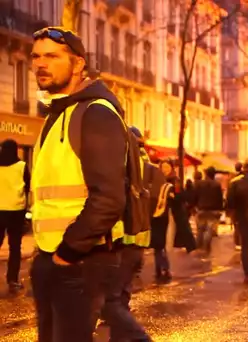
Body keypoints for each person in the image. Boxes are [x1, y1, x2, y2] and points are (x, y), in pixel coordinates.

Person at [29, 27, 127, 342]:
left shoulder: (95, 112)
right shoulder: (58, 113)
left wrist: (67, 253)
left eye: (52, 56)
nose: (41, 63)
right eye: (36, 56)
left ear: (78, 63)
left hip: (82, 260)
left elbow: (109, 198)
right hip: (53, 256)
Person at [100, 126, 151, 342]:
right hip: (140, 238)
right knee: (121, 294)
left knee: (108, 300)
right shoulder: (150, 168)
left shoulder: (123, 164)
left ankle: (136, 338)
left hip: (125, 238)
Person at [0, 139, 29, 294]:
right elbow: (28, 187)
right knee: (15, 248)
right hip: (16, 212)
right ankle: (12, 280)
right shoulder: (22, 166)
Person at [150, 160, 176, 284]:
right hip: (155, 215)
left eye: (167, 167)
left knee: (162, 244)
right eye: (163, 167)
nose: (165, 170)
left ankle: (163, 268)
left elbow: (179, 200)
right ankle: (160, 268)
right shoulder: (155, 181)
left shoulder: (173, 182)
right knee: (158, 245)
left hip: (167, 216)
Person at [193, 166, 224, 255]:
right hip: (213, 210)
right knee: (209, 229)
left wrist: (195, 206)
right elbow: (219, 198)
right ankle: (206, 247)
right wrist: (220, 209)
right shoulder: (217, 185)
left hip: (201, 208)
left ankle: (199, 246)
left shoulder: (199, 184)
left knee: (200, 229)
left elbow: (195, 196)